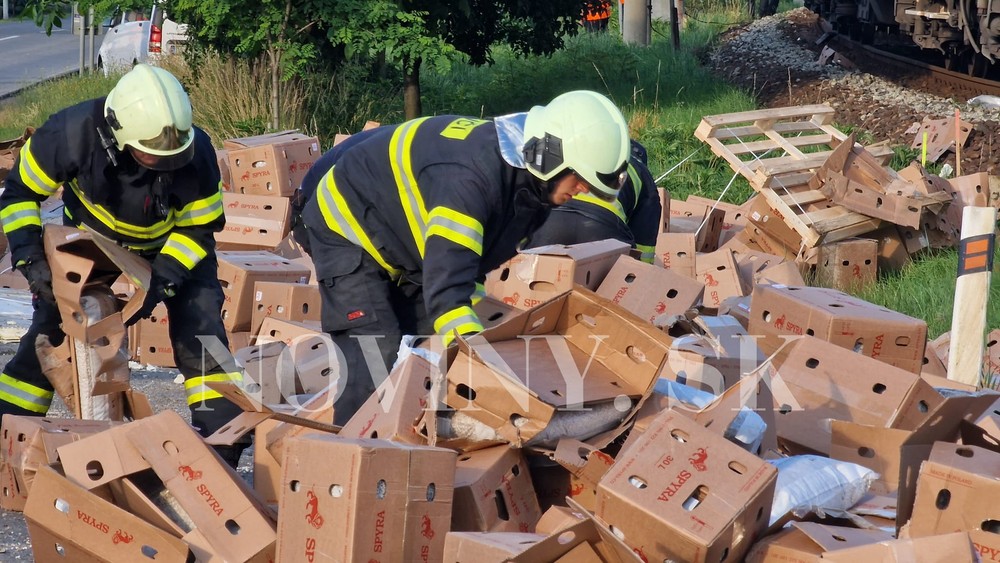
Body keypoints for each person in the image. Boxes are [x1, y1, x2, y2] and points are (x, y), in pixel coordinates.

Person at [297, 90, 631, 425]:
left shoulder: (529, 189)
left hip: (403, 244)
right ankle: (344, 457)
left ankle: (412, 439)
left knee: (424, 345)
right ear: (551, 155)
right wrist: (484, 367)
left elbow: (467, 269)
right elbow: (448, 294)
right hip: (343, 228)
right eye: (581, 179)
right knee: (373, 351)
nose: (584, 190)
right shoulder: (472, 180)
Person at [0, 64, 246, 465]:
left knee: (202, 333)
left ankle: (222, 448)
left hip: (171, 246)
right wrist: (30, 258)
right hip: (93, 242)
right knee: (52, 330)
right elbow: (19, 194)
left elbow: (199, 229)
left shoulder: (195, 152)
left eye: (173, 154)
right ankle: (9, 431)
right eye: (153, 154)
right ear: (119, 133)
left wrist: (164, 280)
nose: (166, 163)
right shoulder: (70, 134)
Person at [524, 139, 661, 263]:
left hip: (548, 222)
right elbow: (644, 243)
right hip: (603, 230)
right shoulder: (642, 173)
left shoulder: (581, 152)